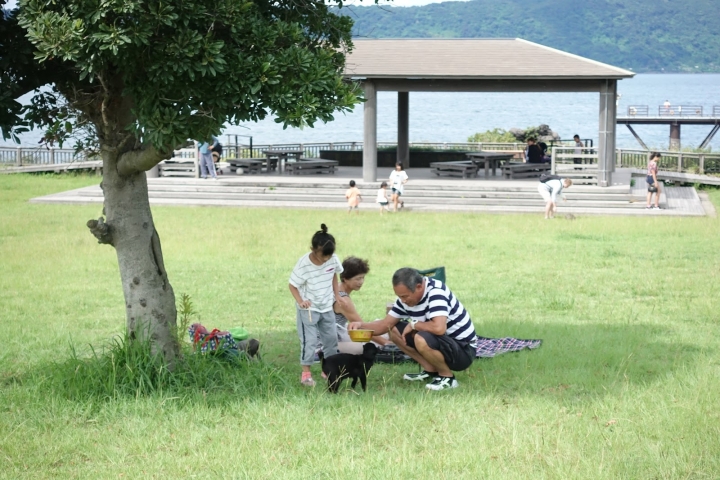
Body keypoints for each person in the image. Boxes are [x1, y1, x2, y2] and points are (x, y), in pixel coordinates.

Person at [349, 268, 477, 391]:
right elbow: (385, 325)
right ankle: (430, 370)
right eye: (400, 297)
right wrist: (361, 325)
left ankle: (447, 377)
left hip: (464, 350)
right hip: (444, 343)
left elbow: (439, 328)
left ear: (419, 287)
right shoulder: (405, 300)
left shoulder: (436, 292)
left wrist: (414, 324)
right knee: (393, 329)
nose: (403, 301)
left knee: (420, 337)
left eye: (405, 296)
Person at [289, 224, 348, 387]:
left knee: (331, 339)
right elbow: (292, 285)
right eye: (323, 256)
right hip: (308, 309)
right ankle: (306, 374)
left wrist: (336, 295)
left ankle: (328, 369)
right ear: (312, 249)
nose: (325, 260)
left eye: (329, 256)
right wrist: (301, 301)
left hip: (327, 306)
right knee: (309, 341)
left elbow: (334, 275)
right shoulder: (303, 264)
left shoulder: (332, 259)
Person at [332, 257, 391, 354]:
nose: (361, 282)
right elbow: (361, 328)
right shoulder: (343, 300)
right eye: (357, 279)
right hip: (330, 342)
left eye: (363, 277)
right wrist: (386, 344)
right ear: (345, 279)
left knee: (380, 327)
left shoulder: (337, 287)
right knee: (364, 346)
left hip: (339, 332)